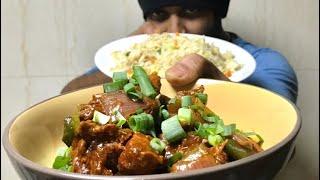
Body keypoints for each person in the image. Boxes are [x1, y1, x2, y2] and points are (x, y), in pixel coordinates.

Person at [61, 0, 298, 103]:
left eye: (191, 11)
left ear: (215, 13)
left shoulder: (266, 63)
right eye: (159, 15)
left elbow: (277, 128)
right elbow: (65, 98)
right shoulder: (141, 53)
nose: (175, 30)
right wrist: (130, 51)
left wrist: (214, 78)